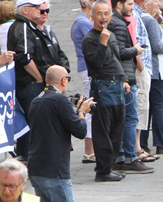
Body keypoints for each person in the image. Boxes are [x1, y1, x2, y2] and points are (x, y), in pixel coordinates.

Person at [28, 66, 92, 202]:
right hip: (55, 169)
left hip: (37, 167)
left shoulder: (37, 100)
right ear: (63, 81)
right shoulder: (59, 101)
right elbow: (80, 130)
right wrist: (82, 112)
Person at [8, 0, 66, 161]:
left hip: (37, 82)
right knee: (33, 122)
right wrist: (40, 79)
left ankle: (35, 158)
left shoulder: (36, 27)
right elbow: (25, 57)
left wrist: (62, 69)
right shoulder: (22, 27)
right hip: (30, 84)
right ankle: (29, 158)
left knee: (38, 121)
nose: (41, 11)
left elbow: (57, 52)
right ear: (25, 10)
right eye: (36, 8)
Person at [83, 0, 129, 182]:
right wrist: (102, 43)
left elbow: (116, 59)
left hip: (117, 85)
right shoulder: (90, 39)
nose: (103, 17)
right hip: (103, 86)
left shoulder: (111, 34)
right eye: (99, 13)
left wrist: (124, 79)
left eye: (106, 13)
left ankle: (109, 166)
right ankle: (102, 171)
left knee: (117, 130)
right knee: (103, 130)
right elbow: (95, 64)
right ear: (92, 16)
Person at [110, 0, 154, 174]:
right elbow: (119, 52)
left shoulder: (118, 22)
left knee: (125, 119)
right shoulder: (119, 24)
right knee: (130, 118)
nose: (132, 7)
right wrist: (136, 51)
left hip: (123, 75)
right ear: (119, 5)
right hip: (126, 76)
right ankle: (130, 158)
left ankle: (122, 157)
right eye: (129, 3)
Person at [139, 0, 163, 155]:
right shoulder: (149, 20)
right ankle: (161, 141)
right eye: (155, 2)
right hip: (157, 70)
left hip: (150, 69)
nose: (158, 4)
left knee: (148, 107)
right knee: (158, 106)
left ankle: (142, 141)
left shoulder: (143, 18)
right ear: (146, 4)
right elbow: (157, 46)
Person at [71, 0, 97, 164]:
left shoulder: (83, 21)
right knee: (90, 105)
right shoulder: (83, 22)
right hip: (88, 67)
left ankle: (91, 150)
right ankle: (89, 150)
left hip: (87, 66)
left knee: (91, 105)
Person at [133, 0, 156, 163]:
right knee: (140, 107)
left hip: (144, 66)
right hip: (140, 67)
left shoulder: (137, 12)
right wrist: (141, 66)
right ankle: (137, 148)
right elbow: (133, 40)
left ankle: (138, 146)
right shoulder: (133, 13)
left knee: (142, 107)